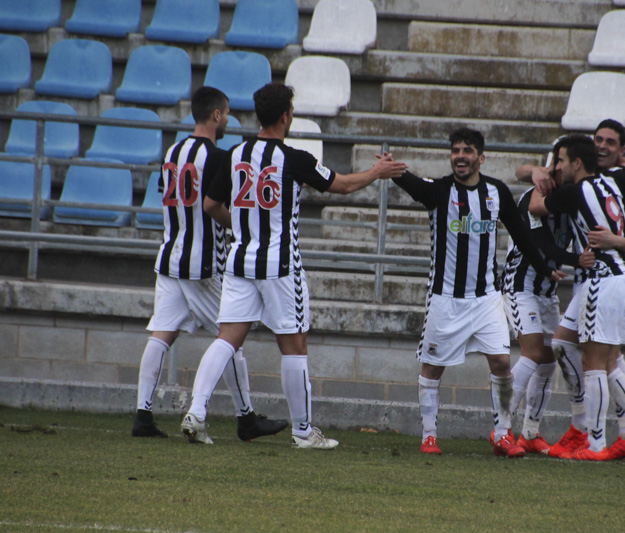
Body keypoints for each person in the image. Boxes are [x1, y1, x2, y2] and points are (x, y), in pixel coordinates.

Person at [180, 82, 408, 448]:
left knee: (227, 340)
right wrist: (376, 172)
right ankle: (303, 433)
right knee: (294, 345)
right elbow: (344, 186)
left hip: (240, 261)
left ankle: (196, 412)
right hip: (280, 265)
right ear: (286, 115)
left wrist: (241, 227)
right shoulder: (294, 158)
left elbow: (209, 205)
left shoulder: (234, 154)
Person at [391, 127, 566, 457]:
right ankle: (429, 435)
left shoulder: (496, 192)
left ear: (480, 158)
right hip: (446, 298)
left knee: (501, 362)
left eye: (468, 150)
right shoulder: (440, 191)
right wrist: (393, 170)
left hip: (487, 297)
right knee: (432, 368)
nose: (461, 155)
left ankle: (502, 434)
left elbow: (522, 235)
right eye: (456, 150)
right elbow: (414, 185)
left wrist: (545, 268)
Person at [132, 86, 288, 442]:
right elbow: (214, 206)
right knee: (230, 340)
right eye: (227, 112)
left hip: (170, 255)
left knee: (160, 335)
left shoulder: (172, 151)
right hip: (202, 263)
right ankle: (246, 418)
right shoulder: (217, 156)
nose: (228, 119)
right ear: (217, 115)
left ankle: (143, 414)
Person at [529, 133, 625, 462]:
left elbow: (536, 205)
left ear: (577, 163)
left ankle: (598, 443)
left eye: (561, 162)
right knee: (566, 343)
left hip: (602, 281)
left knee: (596, 364)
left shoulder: (577, 191)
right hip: (622, 278)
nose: (558, 168)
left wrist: (544, 176)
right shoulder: (611, 182)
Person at [501, 137, 595, 455]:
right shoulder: (532, 196)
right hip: (520, 286)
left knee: (549, 362)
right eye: (554, 166)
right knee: (532, 353)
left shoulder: (569, 198)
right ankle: (501, 427)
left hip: (548, 292)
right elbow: (543, 245)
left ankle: (530, 432)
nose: (558, 171)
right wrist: (575, 261)